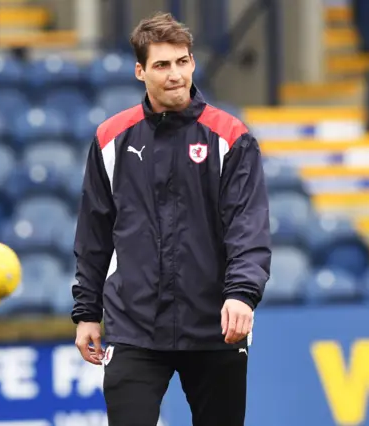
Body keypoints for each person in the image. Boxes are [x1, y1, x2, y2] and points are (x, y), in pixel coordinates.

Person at [71, 12, 271, 426]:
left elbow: (247, 227)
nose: (175, 74)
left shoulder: (232, 136)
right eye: (162, 65)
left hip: (216, 327)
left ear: (193, 63)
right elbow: (94, 232)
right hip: (135, 328)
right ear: (140, 70)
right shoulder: (110, 138)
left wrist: (242, 294)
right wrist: (87, 311)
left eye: (183, 61)